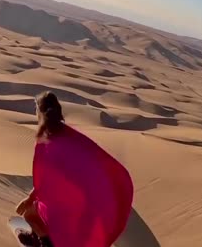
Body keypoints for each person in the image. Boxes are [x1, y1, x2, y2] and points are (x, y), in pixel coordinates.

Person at [15, 91, 134, 247]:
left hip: (61, 205)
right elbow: (92, 157)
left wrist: (28, 200)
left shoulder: (46, 140)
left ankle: (45, 242)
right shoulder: (69, 134)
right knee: (41, 208)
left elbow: (43, 180)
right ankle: (39, 237)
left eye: (36, 109)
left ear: (40, 112)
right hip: (74, 201)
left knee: (29, 215)